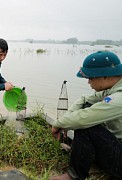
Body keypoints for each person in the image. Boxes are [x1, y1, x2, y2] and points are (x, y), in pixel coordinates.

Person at [50, 51, 122, 180]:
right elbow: (84, 99)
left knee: (86, 125)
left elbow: (85, 118)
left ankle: (75, 175)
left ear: (104, 76)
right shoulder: (112, 89)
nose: (89, 82)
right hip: (115, 145)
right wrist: (65, 121)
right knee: (86, 108)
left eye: (90, 78)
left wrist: (57, 124)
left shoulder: (119, 98)